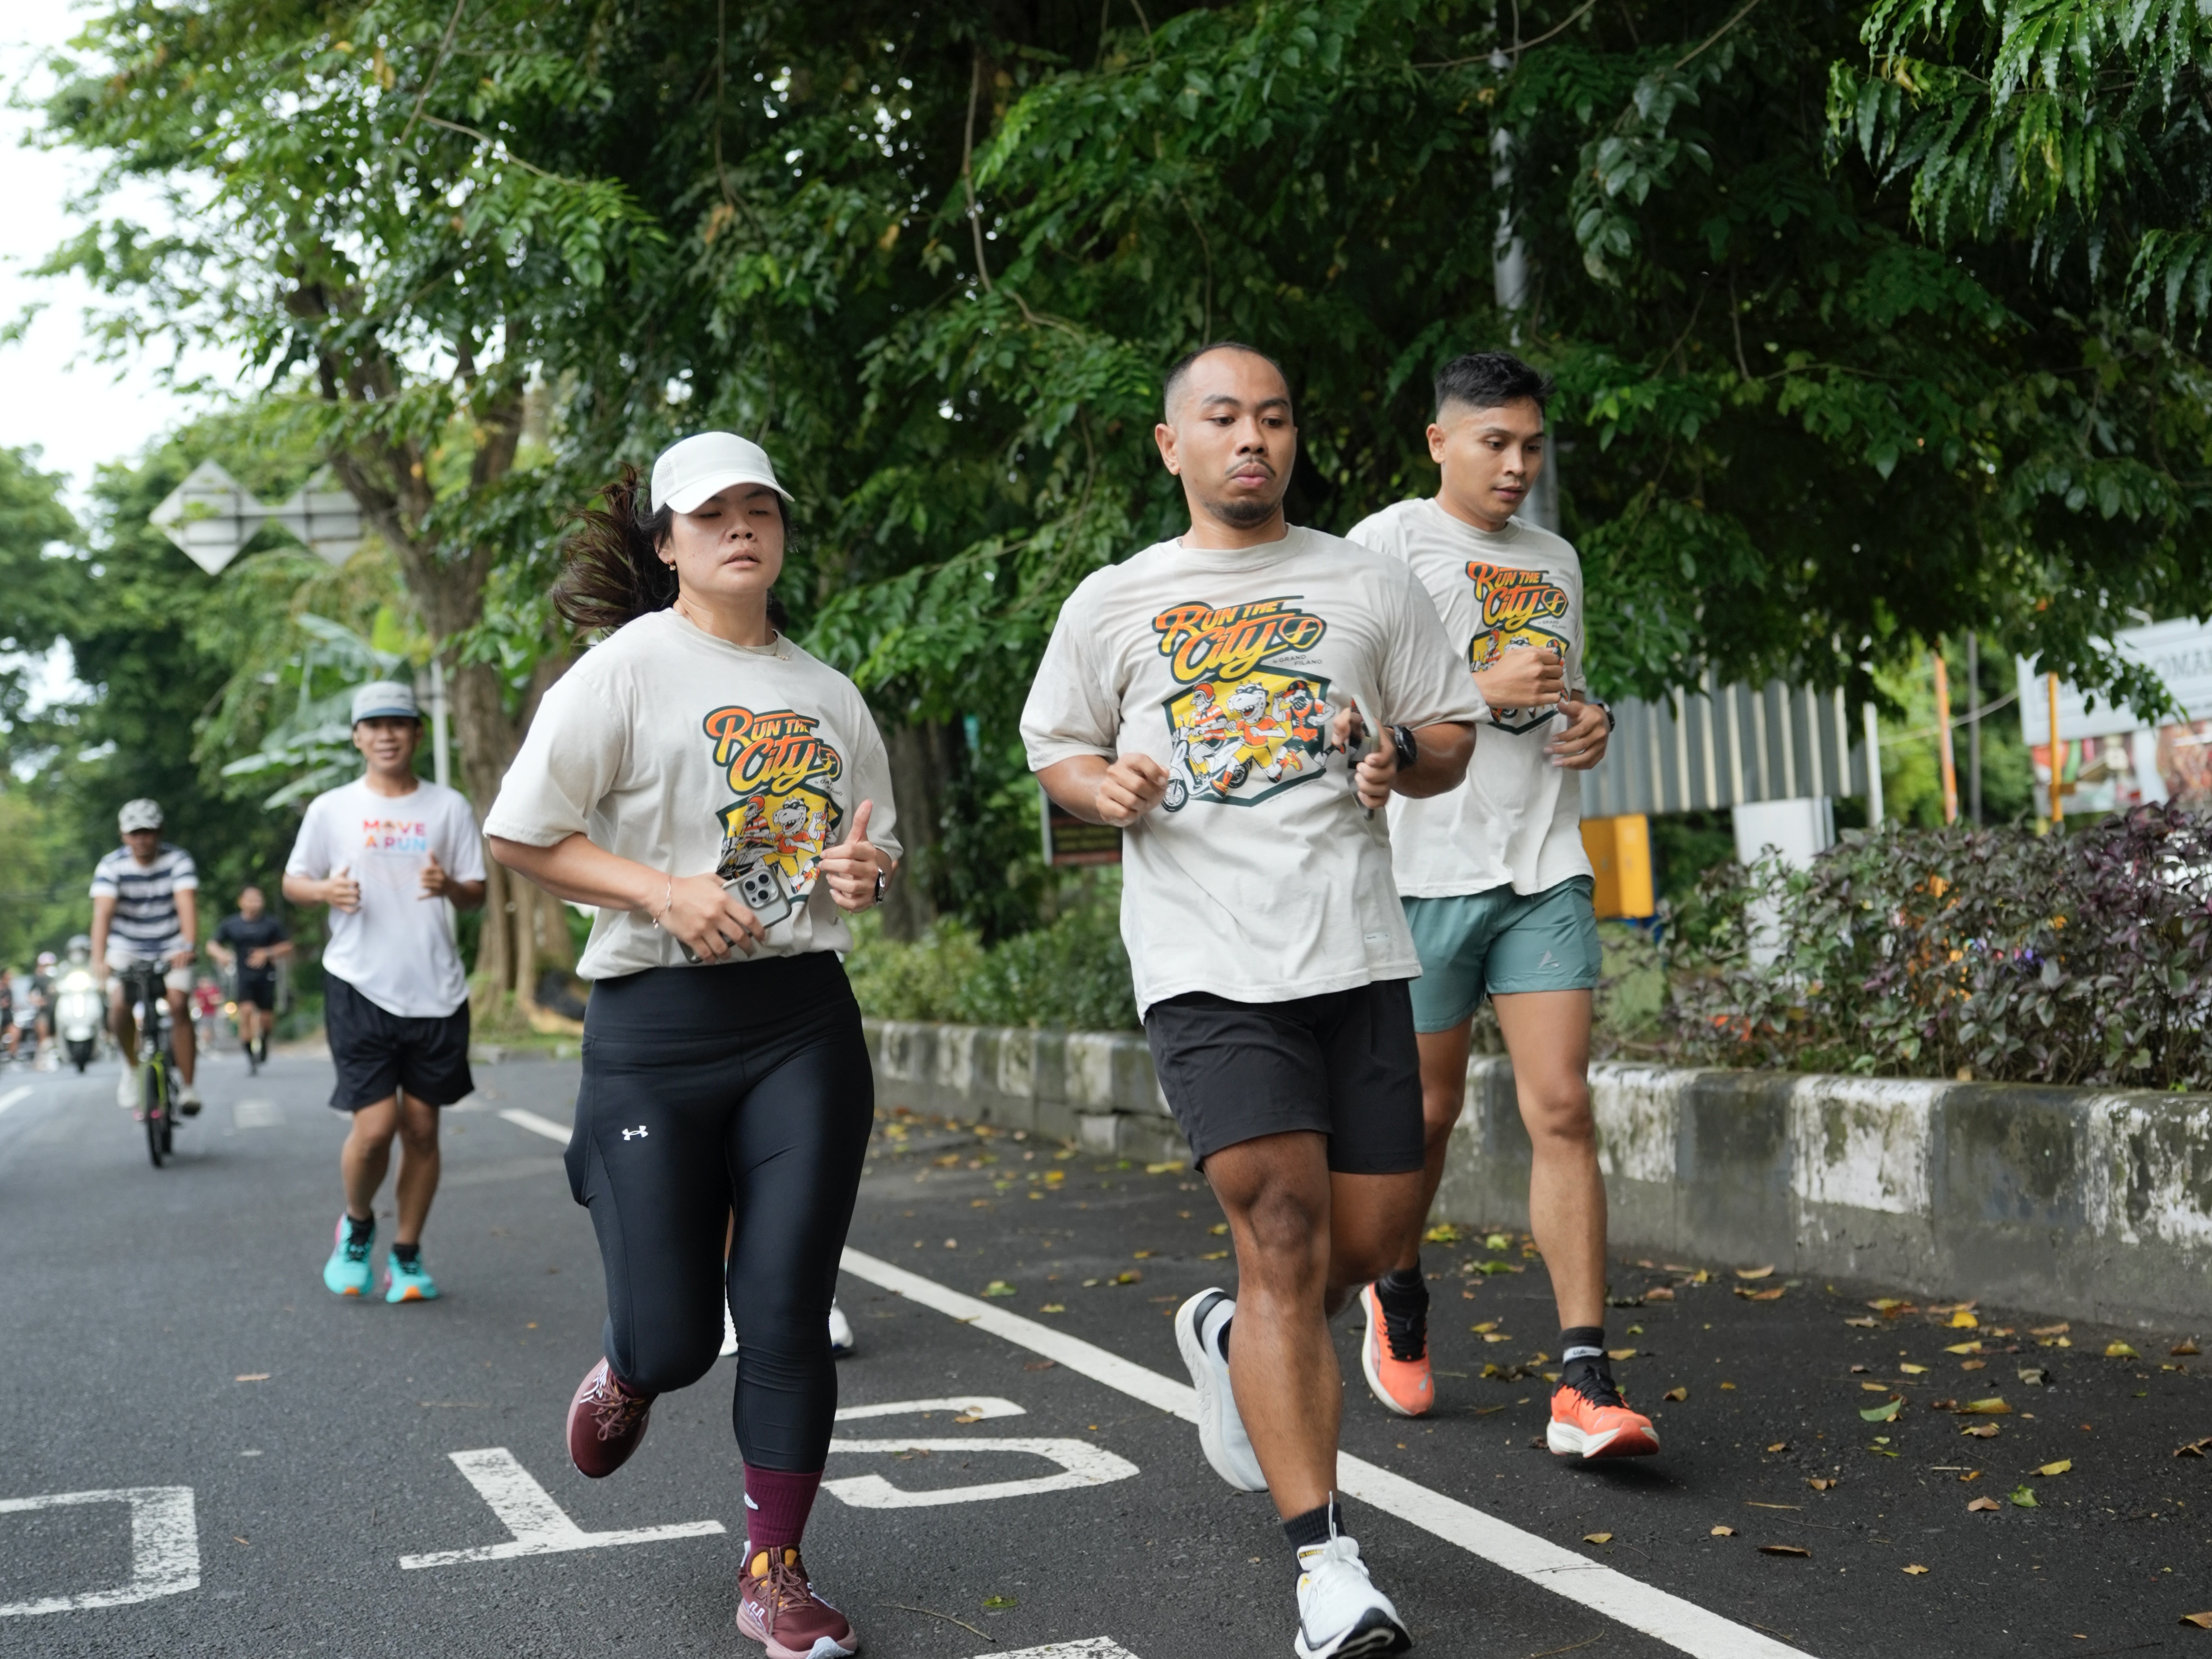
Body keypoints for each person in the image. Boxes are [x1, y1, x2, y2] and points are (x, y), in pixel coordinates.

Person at [1022, 344, 1481, 1659]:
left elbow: (1445, 734)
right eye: (1222, 418)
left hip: (1357, 953)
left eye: (1273, 417)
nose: (1252, 440)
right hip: (1207, 963)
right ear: (1172, 446)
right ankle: (1326, 1568)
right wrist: (1096, 787)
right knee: (1281, 1227)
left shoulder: (1365, 580)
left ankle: (1226, 1333)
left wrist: (1401, 756)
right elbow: (1056, 739)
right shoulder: (1116, 602)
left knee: (1375, 1237)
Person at [485, 430, 897, 1659]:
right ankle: (626, 1368)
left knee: (782, 1310)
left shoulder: (829, 694)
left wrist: (863, 873)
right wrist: (662, 894)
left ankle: (775, 1568)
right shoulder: (621, 674)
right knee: (673, 1334)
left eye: (759, 507)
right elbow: (521, 835)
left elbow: (870, 853)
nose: (739, 527)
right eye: (709, 512)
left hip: (800, 1024)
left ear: (779, 531)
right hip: (653, 1032)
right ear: (666, 542)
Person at [1342, 350, 1655, 1461]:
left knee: (1562, 1105)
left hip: (1542, 864)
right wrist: (1476, 692)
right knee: (1423, 1116)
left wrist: (1590, 720)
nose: (1517, 464)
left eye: (1531, 444)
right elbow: (1350, 706)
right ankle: (1398, 1284)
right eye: (1495, 443)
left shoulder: (1555, 557)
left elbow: (1562, 692)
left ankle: (1583, 1372)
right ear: (1440, 441)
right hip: (1422, 872)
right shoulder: (1384, 545)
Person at [283, 682, 487, 1304]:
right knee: (375, 1129)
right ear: (357, 737)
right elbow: (296, 880)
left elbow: (476, 890)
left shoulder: (447, 807)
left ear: (418, 734)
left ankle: (408, 1255)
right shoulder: (331, 809)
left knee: (422, 1129)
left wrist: (448, 884)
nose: (387, 735)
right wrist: (325, 894)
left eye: (399, 723)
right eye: (374, 725)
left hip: (436, 988)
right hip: (359, 982)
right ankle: (358, 1224)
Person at [90, 800, 202, 1115]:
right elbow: (102, 914)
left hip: (171, 944)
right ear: (124, 836)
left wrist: (188, 945)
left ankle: (190, 1088)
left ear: (159, 832)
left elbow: (187, 905)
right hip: (127, 947)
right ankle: (130, 1067)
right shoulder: (111, 866)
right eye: (135, 833)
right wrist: (99, 958)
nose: (142, 839)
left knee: (179, 1004)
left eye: (148, 833)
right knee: (120, 1008)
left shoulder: (178, 860)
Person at [208, 886, 293, 1069]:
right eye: (250, 899)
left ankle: (264, 1041)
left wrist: (267, 953)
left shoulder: (271, 924)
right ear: (241, 902)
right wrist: (222, 955)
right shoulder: (232, 924)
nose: (255, 903)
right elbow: (212, 945)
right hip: (244, 977)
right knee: (245, 1013)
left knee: (266, 1019)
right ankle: (249, 1053)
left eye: (258, 899)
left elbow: (287, 946)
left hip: (266, 976)